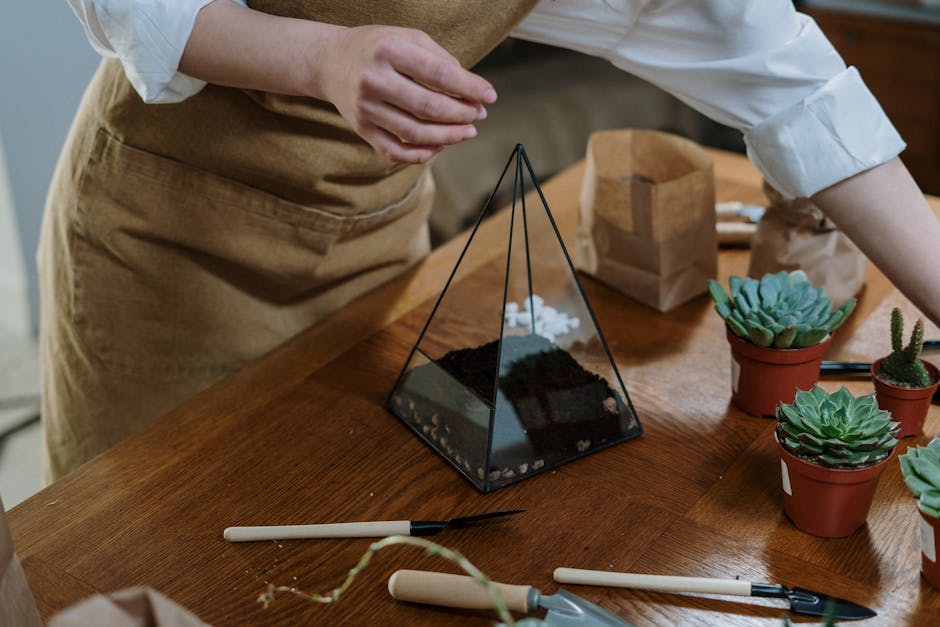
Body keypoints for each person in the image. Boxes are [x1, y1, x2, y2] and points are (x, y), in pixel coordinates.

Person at [46, 0, 940, 482]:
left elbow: (800, 94)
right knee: (142, 542)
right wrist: (319, 58)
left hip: (369, 229)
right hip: (168, 236)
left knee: (322, 498)